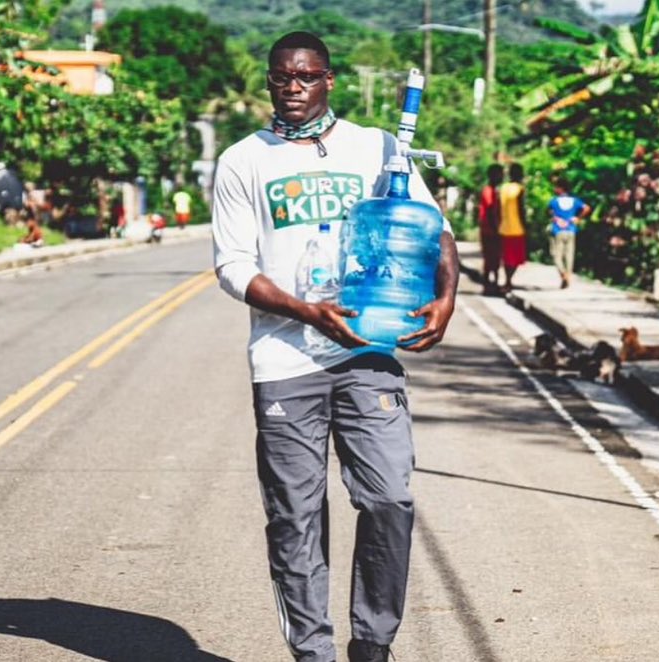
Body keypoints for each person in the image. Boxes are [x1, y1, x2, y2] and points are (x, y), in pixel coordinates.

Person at [211, 31, 458, 662]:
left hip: (367, 351)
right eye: (280, 79)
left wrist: (446, 295)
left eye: (304, 77)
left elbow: (433, 230)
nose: (291, 88)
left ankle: (372, 644)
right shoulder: (244, 160)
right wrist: (306, 313)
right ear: (269, 82)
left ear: (329, 79)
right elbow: (233, 267)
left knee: (390, 497)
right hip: (285, 361)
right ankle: (313, 653)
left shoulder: (377, 147)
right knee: (295, 518)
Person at [548, 178, 591, 289]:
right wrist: (578, 218)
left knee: (556, 256)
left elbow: (550, 212)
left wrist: (555, 218)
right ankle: (568, 276)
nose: (554, 189)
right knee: (569, 255)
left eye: (556, 187)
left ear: (560, 189)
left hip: (558, 231)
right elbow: (586, 208)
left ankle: (563, 275)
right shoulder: (575, 201)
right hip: (571, 230)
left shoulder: (554, 201)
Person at [498, 162, 527, 292]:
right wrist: (526, 225)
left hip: (504, 227)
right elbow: (521, 209)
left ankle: (507, 281)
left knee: (507, 258)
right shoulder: (520, 189)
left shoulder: (503, 188)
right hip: (517, 228)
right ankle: (509, 281)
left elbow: (499, 208)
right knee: (516, 258)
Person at [477, 163, 503, 295]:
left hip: (492, 229)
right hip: (489, 230)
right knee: (489, 259)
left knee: (496, 259)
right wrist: (497, 227)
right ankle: (488, 285)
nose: (502, 177)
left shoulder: (494, 191)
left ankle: (495, 283)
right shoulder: (488, 191)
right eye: (500, 174)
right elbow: (492, 211)